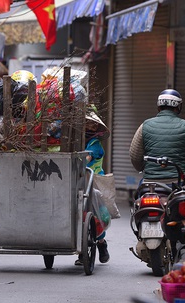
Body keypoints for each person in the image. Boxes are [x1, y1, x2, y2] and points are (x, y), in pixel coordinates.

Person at [129, 89, 185, 183]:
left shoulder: (144, 125)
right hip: (178, 182)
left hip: (150, 182)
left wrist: (146, 168)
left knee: (139, 194)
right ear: (178, 107)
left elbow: (135, 156)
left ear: (159, 106)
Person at [75, 111, 111, 265]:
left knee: (96, 215)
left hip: (93, 183)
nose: (89, 126)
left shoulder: (94, 144)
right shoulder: (77, 141)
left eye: (92, 123)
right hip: (77, 181)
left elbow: (87, 158)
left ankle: (101, 244)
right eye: (86, 123)